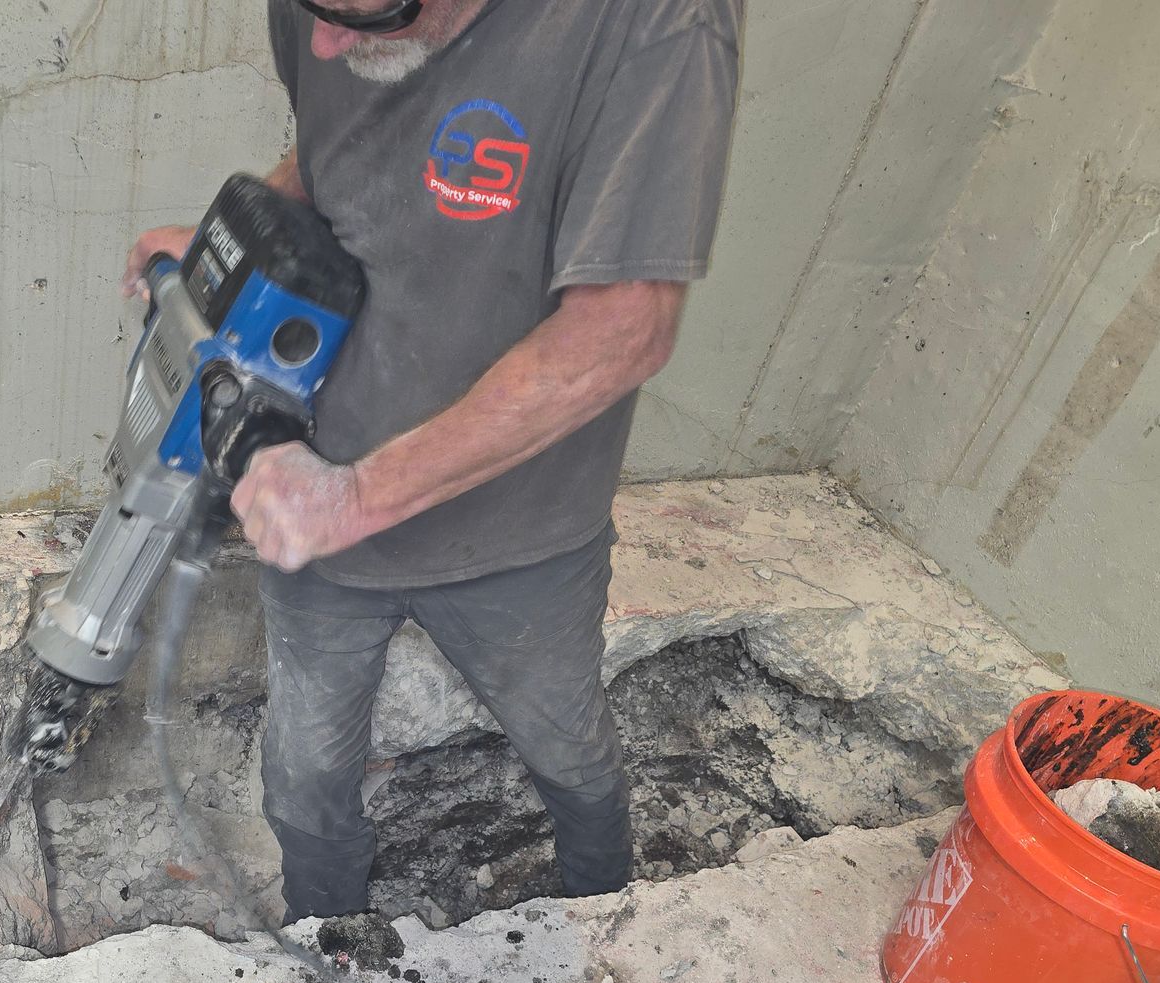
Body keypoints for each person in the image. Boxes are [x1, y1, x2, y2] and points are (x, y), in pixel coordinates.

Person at [124, 0, 742, 922]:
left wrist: (358, 497)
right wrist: (235, 235)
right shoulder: (332, 11)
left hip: (515, 534)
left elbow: (621, 333)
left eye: (372, 15)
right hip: (318, 494)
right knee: (301, 783)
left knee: (568, 756)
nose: (325, 43)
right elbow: (344, 149)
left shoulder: (653, 25)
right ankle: (332, 944)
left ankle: (601, 915)